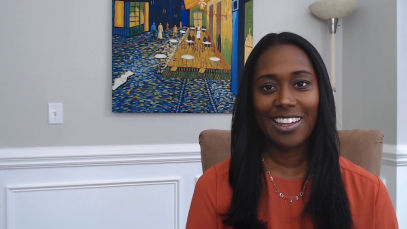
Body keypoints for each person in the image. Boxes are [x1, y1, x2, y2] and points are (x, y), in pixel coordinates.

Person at [186, 32, 398, 229]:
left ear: (321, 95)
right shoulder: (212, 188)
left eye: (301, 83)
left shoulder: (371, 192)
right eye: (268, 87)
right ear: (250, 101)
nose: (285, 100)